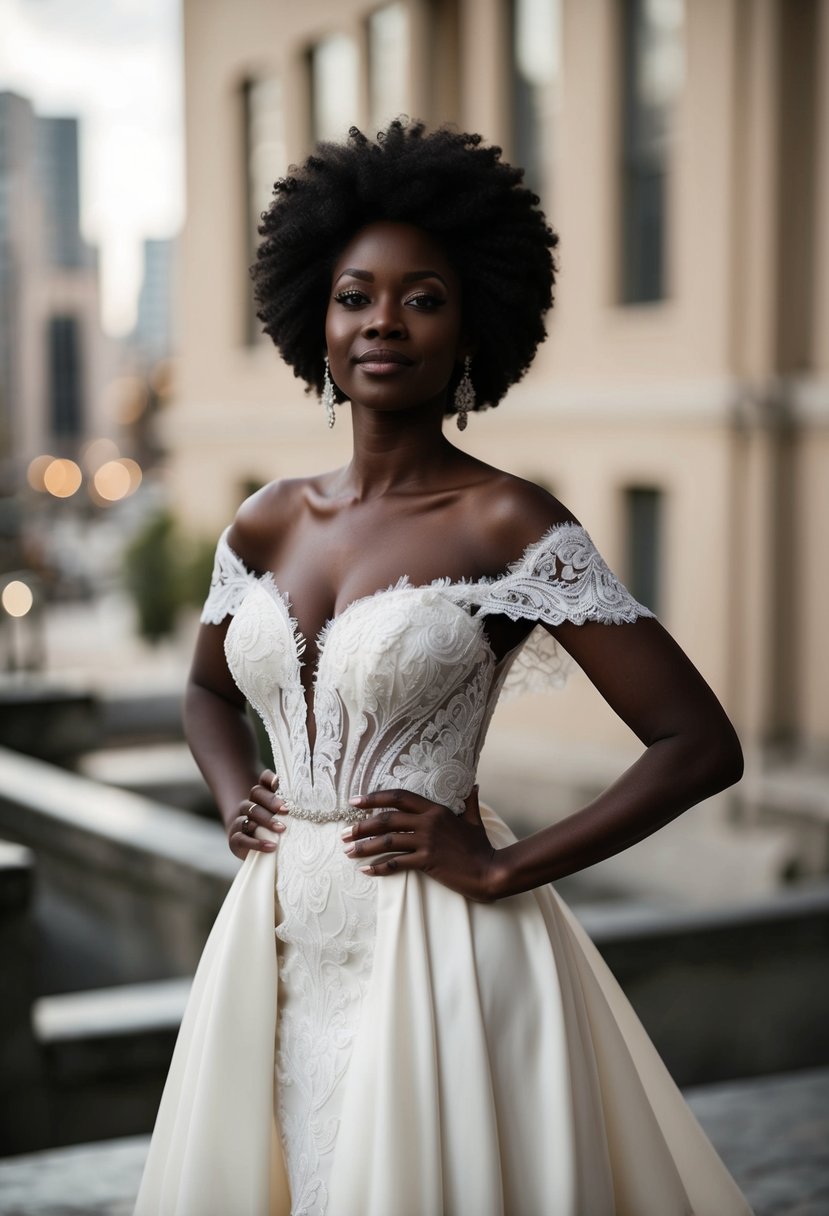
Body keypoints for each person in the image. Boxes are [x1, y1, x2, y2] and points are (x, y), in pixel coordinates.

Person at [135, 120, 753, 1216]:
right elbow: (204, 689)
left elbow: (698, 743)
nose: (382, 321)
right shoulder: (266, 520)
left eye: (422, 297)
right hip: (273, 935)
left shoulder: (509, 520)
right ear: (312, 319)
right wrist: (237, 799)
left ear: (474, 325)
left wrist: (507, 866)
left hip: (437, 944)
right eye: (354, 295)